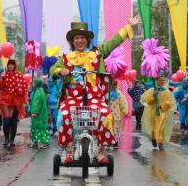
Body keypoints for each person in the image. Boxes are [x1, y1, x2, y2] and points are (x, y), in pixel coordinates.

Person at [51, 17, 141, 163]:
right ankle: (69, 151)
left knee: (106, 115)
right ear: (72, 41)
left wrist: (128, 26)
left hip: (94, 97)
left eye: (82, 38)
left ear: (87, 40)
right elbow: (52, 69)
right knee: (65, 115)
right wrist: (61, 70)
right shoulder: (65, 58)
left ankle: (100, 151)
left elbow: (113, 42)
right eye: (76, 38)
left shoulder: (97, 53)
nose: (79, 41)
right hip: (73, 98)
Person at [141, 71, 176, 151]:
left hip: (162, 112)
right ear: (156, 80)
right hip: (152, 112)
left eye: (163, 80)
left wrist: (161, 105)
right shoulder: (152, 90)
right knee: (154, 128)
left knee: (161, 128)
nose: (162, 82)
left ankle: (160, 143)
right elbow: (148, 101)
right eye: (160, 80)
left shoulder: (167, 91)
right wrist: (153, 96)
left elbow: (170, 102)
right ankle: (154, 139)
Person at [0, 60, 28, 147]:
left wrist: (21, 93)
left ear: (14, 66)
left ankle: (12, 140)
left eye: (12, 64)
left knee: (13, 122)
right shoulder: (4, 74)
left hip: (16, 101)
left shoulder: (19, 74)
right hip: (5, 100)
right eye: (9, 64)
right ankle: (6, 138)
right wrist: (2, 78)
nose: (10, 66)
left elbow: (24, 86)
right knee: (6, 121)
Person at [30, 78, 50, 148]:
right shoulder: (40, 90)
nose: (32, 84)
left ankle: (43, 142)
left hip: (38, 115)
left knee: (38, 127)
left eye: (33, 83)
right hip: (41, 113)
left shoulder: (38, 92)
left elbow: (37, 103)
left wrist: (35, 112)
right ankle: (36, 141)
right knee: (38, 127)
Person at [109, 81, 129, 146]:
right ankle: (109, 140)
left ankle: (115, 140)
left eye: (115, 84)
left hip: (117, 114)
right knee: (109, 127)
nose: (114, 86)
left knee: (116, 127)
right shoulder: (107, 93)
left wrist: (125, 111)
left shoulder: (119, 93)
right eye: (113, 84)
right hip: (108, 114)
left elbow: (123, 102)